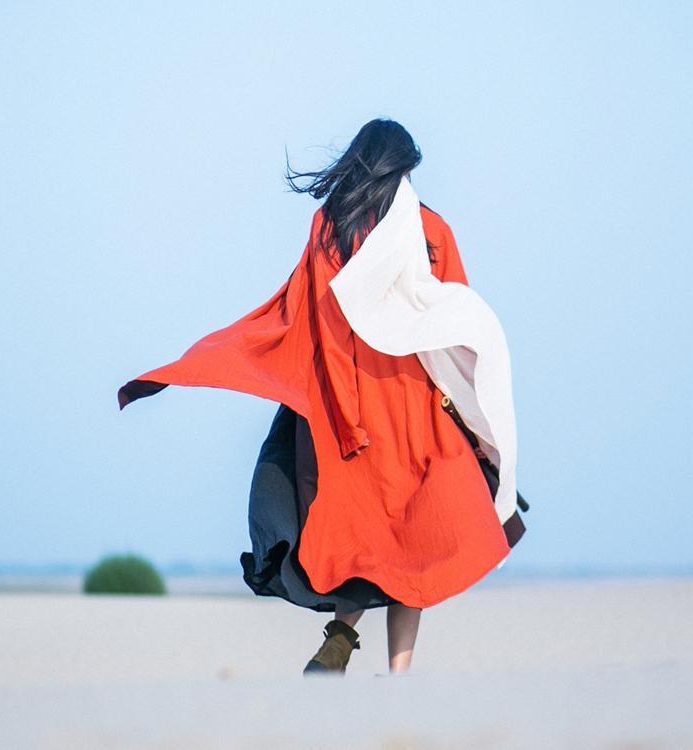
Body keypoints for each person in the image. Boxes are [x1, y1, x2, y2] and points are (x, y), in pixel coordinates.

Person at [117, 117, 524, 677]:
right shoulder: (433, 231)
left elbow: (321, 327)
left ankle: (339, 635)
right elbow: (457, 327)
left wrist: (343, 418)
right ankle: (398, 677)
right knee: (417, 543)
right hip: (420, 407)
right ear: (401, 168)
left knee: (373, 543)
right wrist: (474, 418)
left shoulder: (331, 227)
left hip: (357, 406)